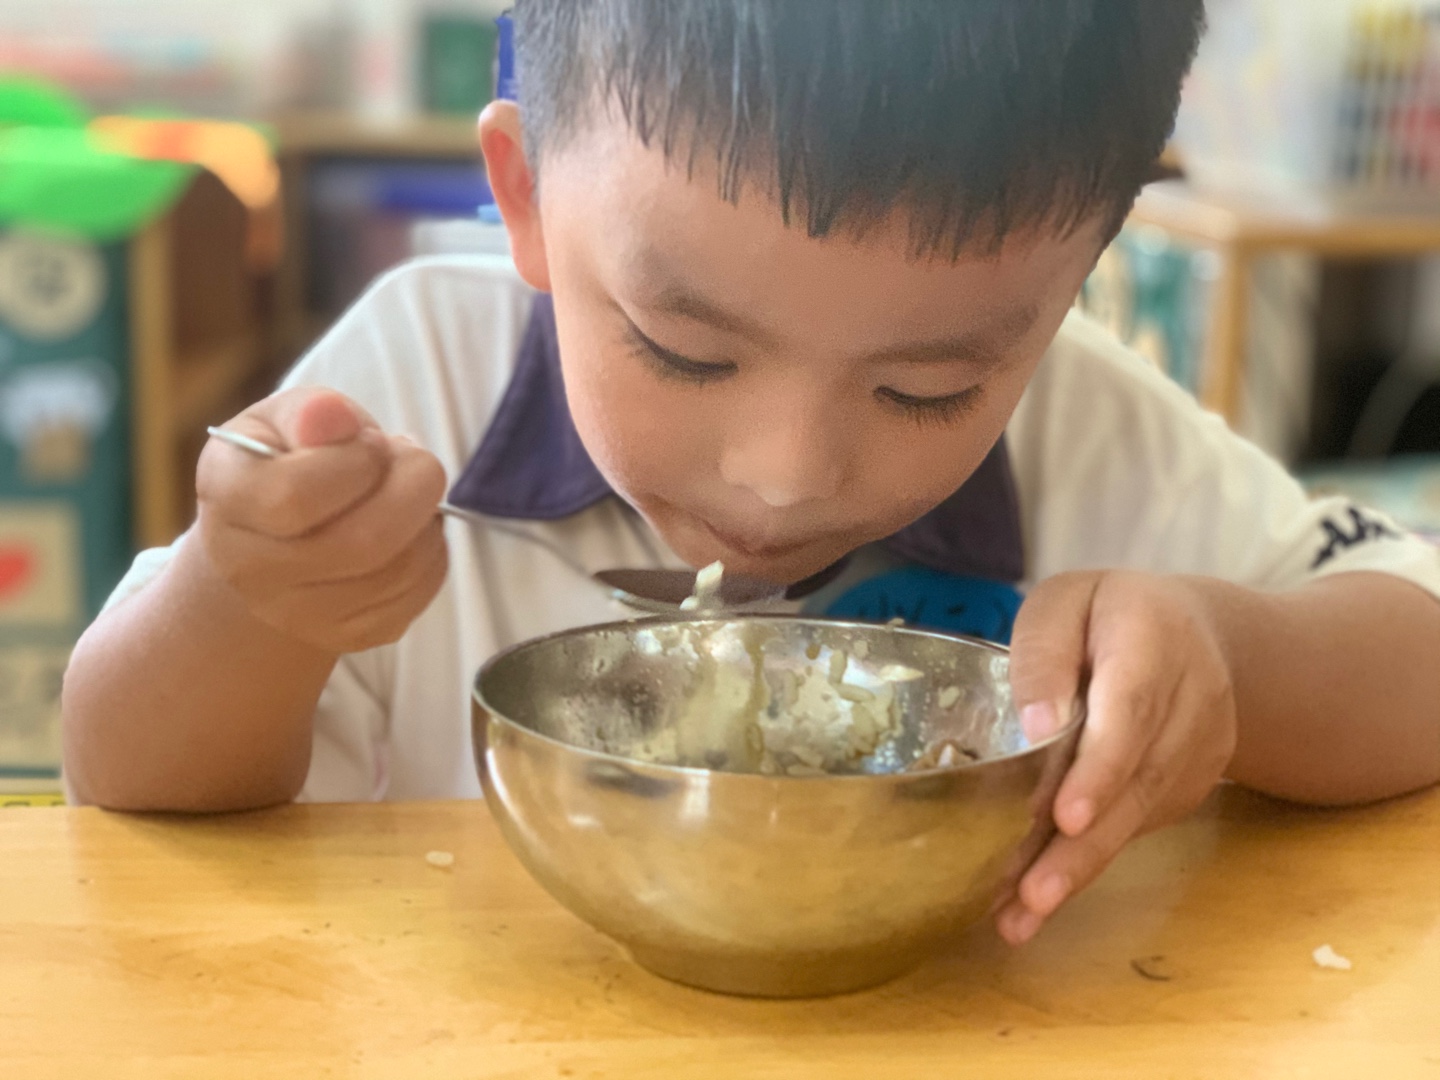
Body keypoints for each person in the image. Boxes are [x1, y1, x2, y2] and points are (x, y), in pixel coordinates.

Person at [61, 0, 1440, 947]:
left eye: (926, 389)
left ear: (1075, 281)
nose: (785, 479)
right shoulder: (415, 379)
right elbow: (123, 787)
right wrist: (247, 604)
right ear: (525, 195)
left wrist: (1235, 669)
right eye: (684, 350)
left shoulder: (1096, 431)